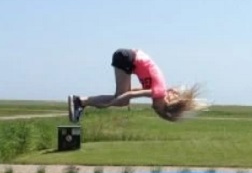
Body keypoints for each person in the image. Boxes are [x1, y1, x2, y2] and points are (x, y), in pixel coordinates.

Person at [68, 48, 205, 123]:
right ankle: (80, 101)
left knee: (122, 99)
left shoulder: (159, 90)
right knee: (122, 101)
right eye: (157, 108)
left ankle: (82, 101)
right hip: (127, 58)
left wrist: (118, 98)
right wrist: (112, 103)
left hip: (126, 57)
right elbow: (130, 94)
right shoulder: (159, 92)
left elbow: (132, 91)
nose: (153, 106)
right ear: (166, 102)